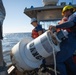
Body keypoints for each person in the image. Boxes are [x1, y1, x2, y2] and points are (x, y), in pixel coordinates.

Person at [49, 5, 76, 75]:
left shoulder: (74, 16)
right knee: (69, 61)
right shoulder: (70, 17)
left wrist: (56, 26)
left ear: (68, 11)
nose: (64, 15)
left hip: (69, 42)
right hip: (68, 42)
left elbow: (70, 24)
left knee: (58, 61)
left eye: (64, 13)